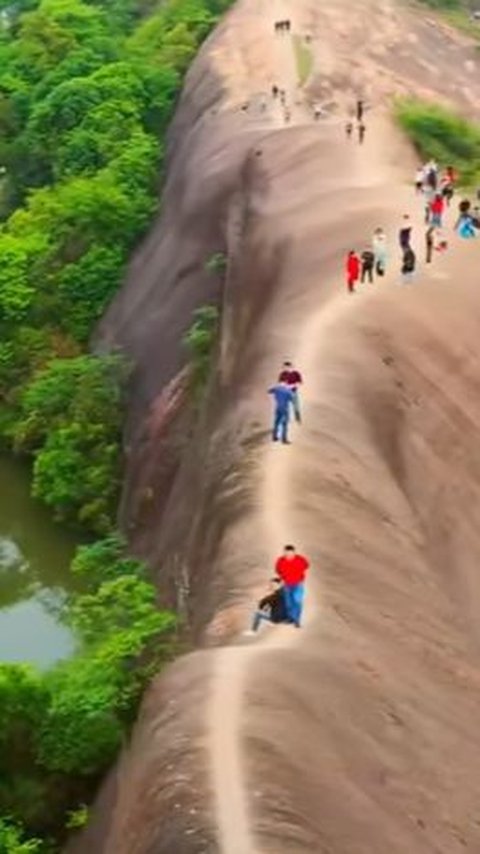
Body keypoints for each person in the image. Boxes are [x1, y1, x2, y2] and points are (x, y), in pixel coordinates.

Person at [275, 544, 310, 627]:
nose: (289, 555)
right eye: (287, 553)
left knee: (297, 602)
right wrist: (283, 578)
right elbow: (278, 570)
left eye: (291, 553)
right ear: (284, 553)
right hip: (287, 584)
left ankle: (297, 620)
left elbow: (306, 566)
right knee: (289, 603)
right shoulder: (280, 560)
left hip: (298, 584)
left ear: (294, 552)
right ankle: (291, 618)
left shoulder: (300, 559)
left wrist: (300, 576)